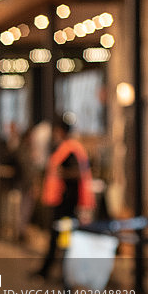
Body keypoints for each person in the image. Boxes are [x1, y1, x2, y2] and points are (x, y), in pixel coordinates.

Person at [34, 115, 95, 280]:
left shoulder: (70, 149)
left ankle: (56, 272)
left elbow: (77, 173)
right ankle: (57, 271)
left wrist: (62, 173)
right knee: (61, 236)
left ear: (61, 131)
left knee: (62, 236)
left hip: (66, 202)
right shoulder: (67, 147)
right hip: (61, 200)